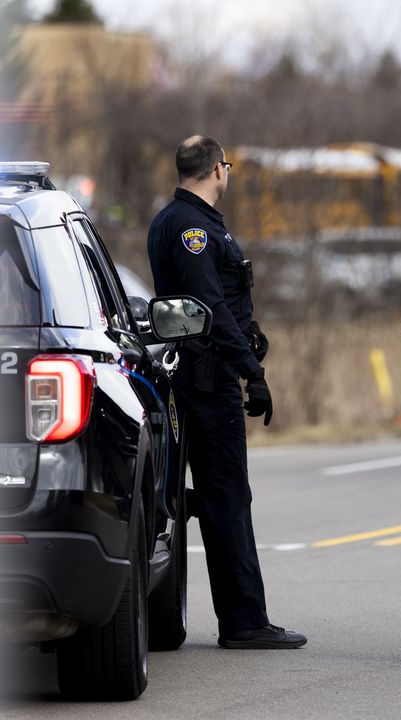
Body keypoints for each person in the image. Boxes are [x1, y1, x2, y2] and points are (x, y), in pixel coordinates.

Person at [147, 135, 306, 649]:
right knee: (227, 496)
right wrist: (251, 371)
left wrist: (249, 334)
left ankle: (224, 616)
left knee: (193, 499)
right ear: (218, 169)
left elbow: (218, 300)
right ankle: (244, 621)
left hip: (196, 373)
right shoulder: (193, 228)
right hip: (208, 379)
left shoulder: (178, 220)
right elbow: (207, 305)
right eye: (228, 166)